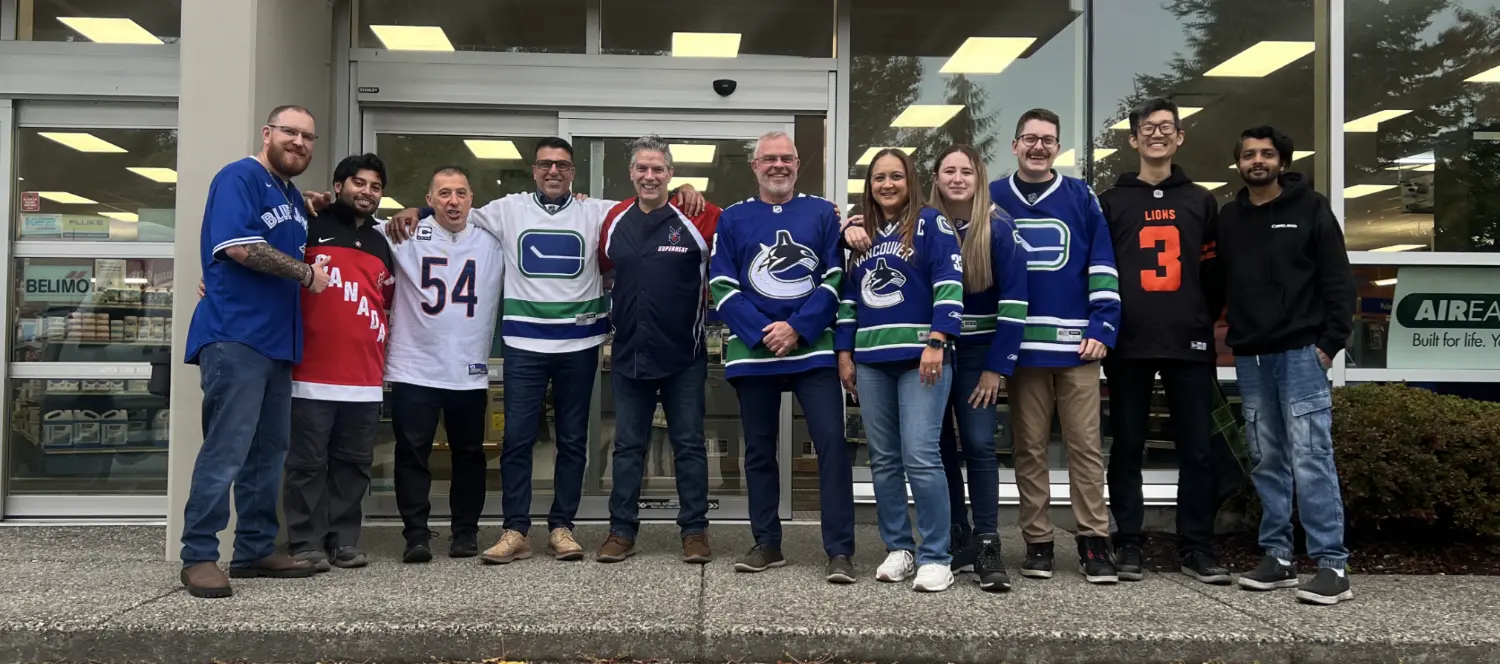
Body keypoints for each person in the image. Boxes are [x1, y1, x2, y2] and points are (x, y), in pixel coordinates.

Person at [387, 139, 703, 564]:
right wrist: (415, 210)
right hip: (524, 345)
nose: (554, 171)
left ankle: (562, 527)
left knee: (572, 441)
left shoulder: (600, 212)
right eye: (545, 164)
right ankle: (515, 529)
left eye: (562, 165)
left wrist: (684, 189)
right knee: (517, 440)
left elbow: (649, 199)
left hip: (579, 344)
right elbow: (453, 211)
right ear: (533, 170)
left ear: (573, 172)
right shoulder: (507, 209)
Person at [180, 105, 329, 598]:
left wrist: (311, 201)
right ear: (267, 133)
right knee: (226, 449)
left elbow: (278, 226)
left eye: (307, 136)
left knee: (268, 454)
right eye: (290, 132)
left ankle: (255, 548)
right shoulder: (238, 176)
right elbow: (239, 247)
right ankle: (199, 555)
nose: (299, 142)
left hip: (278, 343)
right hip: (236, 336)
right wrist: (306, 273)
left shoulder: (289, 194)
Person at [709, 131, 857, 584]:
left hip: (812, 351)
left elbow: (835, 277)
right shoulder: (733, 218)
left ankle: (840, 550)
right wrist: (762, 331)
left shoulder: (822, 212)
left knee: (831, 445)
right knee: (758, 451)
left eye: (786, 158)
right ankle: (767, 543)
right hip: (755, 353)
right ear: (754, 166)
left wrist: (797, 328)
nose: (778, 165)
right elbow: (720, 282)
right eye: (769, 159)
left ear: (797, 164)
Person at [1217, 125, 1355, 606]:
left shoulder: (1311, 208)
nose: (1257, 160)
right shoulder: (1229, 218)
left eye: (1267, 154)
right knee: (1266, 458)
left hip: (1301, 354)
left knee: (1311, 456)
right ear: (1239, 163)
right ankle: (1278, 558)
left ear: (1282, 161)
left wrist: (1330, 344)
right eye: (1248, 154)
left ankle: (1332, 565)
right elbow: (1217, 282)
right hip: (1252, 357)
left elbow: (1338, 280)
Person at [1097, 98, 1232, 586]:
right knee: (1128, 444)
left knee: (1196, 448)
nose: (1157, 134)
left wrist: (1197, 316)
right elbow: (1101, 270)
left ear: (1180, 137)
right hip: (1129, 342)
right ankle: (1129, 542)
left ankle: (1196, 546)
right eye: (1148, 128)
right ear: (1133, 139)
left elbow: (1214, 272)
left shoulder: (1201, 200)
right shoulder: (1111, 201)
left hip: (1187, 341)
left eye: (1166, 127)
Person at [991, 108, 1121, 584]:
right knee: (1028, 448)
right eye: (1030, 138)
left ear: (1058, 147)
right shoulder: (992, 197)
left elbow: (1102, 261)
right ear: (1015, 145)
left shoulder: (1081, 196)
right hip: (1022, 350)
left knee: (1085, 447)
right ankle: (1038, 541)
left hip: (1076, 347)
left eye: (1048, 139)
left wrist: (1103, 326)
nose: (1038, 147)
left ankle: (1094, 541)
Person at [836, 148, 963, 592]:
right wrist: (845, 354)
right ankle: (899, 548)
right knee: (884, 460)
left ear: (910, 180)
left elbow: (950, 283)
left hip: (921, 359)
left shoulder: (931, 223)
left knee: (921, 456)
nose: (887, 185)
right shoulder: (862, 235)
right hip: (871, 362)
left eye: (895, 176)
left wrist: (937, 340)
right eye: (878, 178)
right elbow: (849, 300)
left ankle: (936, 555)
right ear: (869, 186)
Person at [595, 135, 722, 564]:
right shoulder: (613, 219)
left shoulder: (699, 216)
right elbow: (603, 268)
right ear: (631, 173)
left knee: (689, 445)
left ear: (670, 173)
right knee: (628, 447)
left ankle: (694, 531)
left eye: (658, 169)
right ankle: (620, 532)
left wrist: (834, 219)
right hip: (629, 354)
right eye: (642, 168)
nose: (650, 176)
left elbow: (750, 226)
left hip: (684, 355)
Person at [382, 165, 505, 564]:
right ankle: (416, 535)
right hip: (413, 366)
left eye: (461, 193)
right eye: (444, 193)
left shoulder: (491, 238)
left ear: (472, 199)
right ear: (429, 199)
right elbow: (358, 225)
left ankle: (465, 531)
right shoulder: (405, 232)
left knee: (469, 454)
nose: (454, 201)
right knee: (411, 452)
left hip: (467, 368)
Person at [282, 153, 396, 572]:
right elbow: (272, 265)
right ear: (337, 185)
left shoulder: (382, 242)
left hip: (364, 377)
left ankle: (344, 540)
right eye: (359, 183)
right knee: (307, 464)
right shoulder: (308, 224)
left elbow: (384, 302)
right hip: (310, 373)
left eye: (375, 187)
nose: (367, 192)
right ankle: (306, 542)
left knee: (353, 465)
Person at [927, 145, 1029, 592]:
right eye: (948, 170)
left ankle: (988, 543)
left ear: (979, 177)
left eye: (966, 171)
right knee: (938, 446)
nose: (957, 178)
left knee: (979, 444)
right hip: (934, 350)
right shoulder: (924, 225)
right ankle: (958, 535)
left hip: (978, 354)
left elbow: (1016, 302)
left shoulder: (998, 226)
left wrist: (996, 368)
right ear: (936, 178)